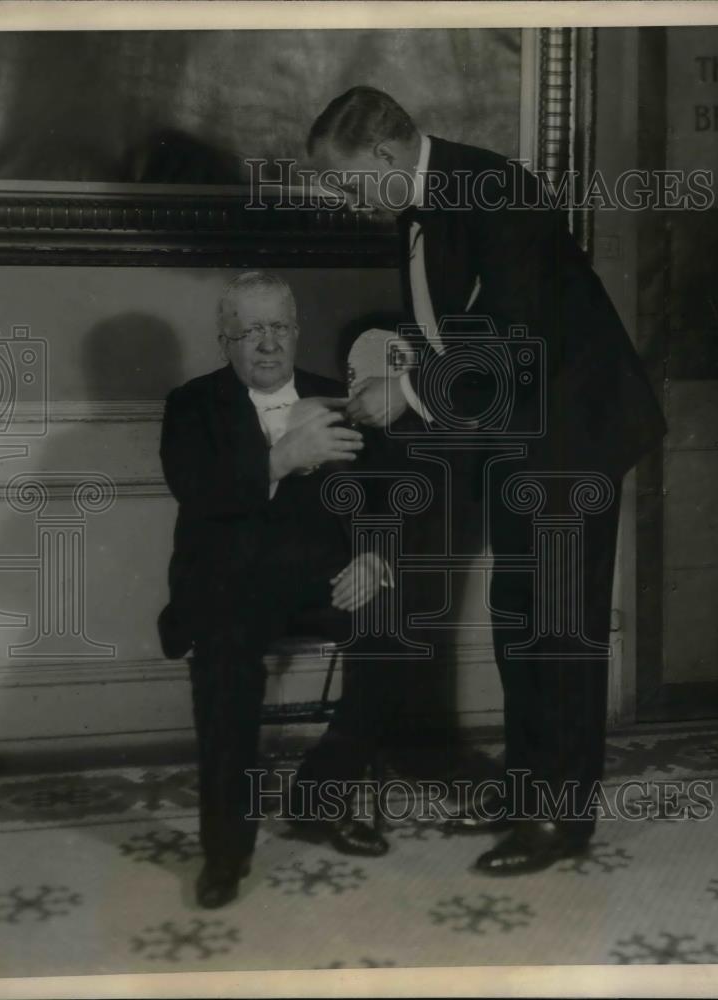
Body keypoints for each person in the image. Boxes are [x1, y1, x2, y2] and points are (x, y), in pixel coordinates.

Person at [305, 86, 667, 875]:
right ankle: (526, 787)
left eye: (344, 180)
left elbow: (511, 342)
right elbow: (461, 338)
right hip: (519, 433)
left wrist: (403, 393)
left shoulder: (492, 187)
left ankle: (560, 819)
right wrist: (403, 374)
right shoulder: (418, 207)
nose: (342, 197)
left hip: (574, 433)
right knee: (519, 617)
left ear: (386, 156)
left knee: (558, 625)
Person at [158, 270, 404, 909]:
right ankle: (225, 854)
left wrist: (375, 554)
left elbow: (385, 496)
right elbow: (199, 492)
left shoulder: (337, 397)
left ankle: (317, 798)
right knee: (225, 662)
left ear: (296, 334)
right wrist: (279, 458)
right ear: (225, 342)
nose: (267, 344)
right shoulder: (191, 405)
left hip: (319, 579)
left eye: (279, 328)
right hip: (226, 583)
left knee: (393, 630)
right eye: (250, 331)